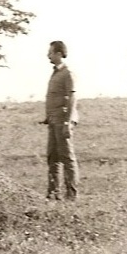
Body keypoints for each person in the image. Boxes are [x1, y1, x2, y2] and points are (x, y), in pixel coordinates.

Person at [42, 40, 80, 201]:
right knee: (52, 157)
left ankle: (71, 195)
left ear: (59, 53)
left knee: (67, 157)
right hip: (53, 120)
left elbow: (72, 97)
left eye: (50, 52)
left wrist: (68, 122)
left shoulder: (67, 73)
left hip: (62, 121)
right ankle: (53, 193)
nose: (48, 55)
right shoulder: (56, 72)